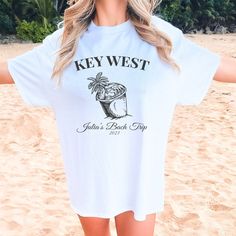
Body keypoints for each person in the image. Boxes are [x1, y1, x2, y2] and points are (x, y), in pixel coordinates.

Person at [0, 0, 236, 235]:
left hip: (140, 180)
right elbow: (10, 70)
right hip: (89, 179)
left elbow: (218, 65)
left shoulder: (160, 37)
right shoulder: (65, 43)